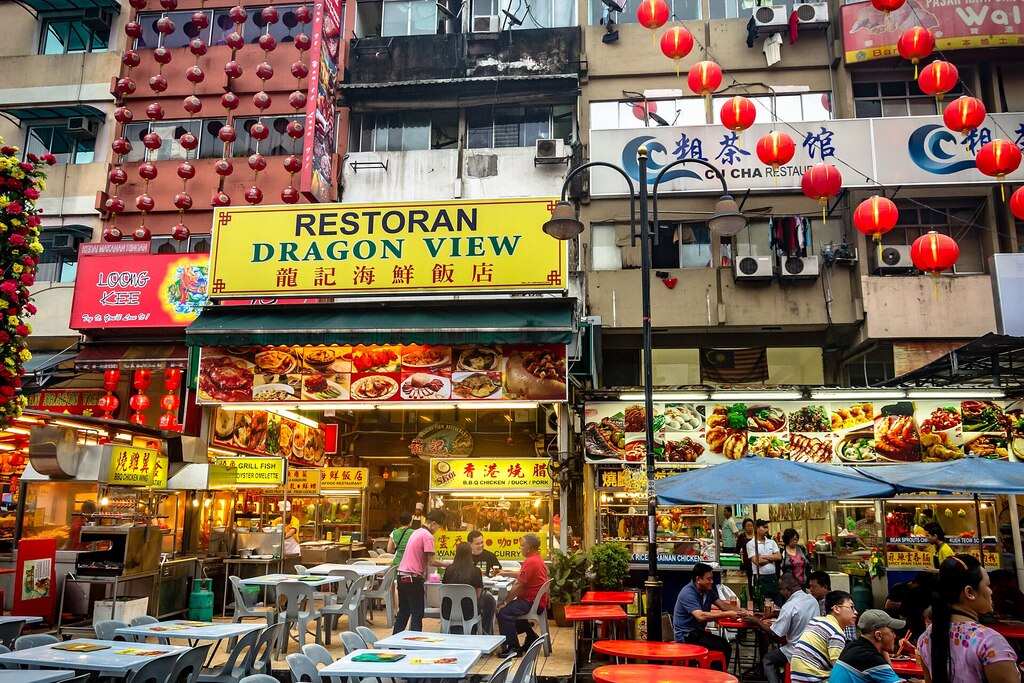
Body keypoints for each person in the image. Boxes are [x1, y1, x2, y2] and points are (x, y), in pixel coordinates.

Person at [917, 554, 1020, 683]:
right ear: (969, 592)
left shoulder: (927, 637)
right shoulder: (989, 641)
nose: (991, 591)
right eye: (987, 585)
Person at [745, 573, 820, 683]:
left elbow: (774, 633)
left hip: (797, 650)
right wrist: (774, 614)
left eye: (781, 589)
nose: (780, 592)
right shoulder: (811, 600)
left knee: (768, 659)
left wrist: (756, 621)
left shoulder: (789, 606)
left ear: (788, 589)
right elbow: (798, 613)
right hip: (814, 647)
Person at [673, 562, 751, 669]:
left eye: (712, 579)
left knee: (723, 643)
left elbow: (723, 605)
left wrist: (741, 611)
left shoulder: (707, 591)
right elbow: (700, 616)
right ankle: (716, 675)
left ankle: (717, 673)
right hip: (686, 635)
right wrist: (728, 614)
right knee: (723, 646)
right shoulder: (688, 593)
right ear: (698, 579)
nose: (712, 582)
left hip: (698, 631)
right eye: (708, 579)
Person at [394, 509, 447, 634]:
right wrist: (448, 564)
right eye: (439, 526)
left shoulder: (416, 532)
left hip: (401, 575)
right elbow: (432, 561)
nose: (438, 529)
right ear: (433, 523)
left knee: (404, 612)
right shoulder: (428, 536)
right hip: (413, 578)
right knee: (417, 613)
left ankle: (394, 641)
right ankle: (414, 642)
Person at [830, 610, 918, 683]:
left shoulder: (852, 646)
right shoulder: (871, 658)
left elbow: (891, 674)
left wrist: (883, 648)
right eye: (892, 631)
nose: (895, 636)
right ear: (878, 635)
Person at [496, 533, 547, 657]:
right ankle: (531, 636)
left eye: (522, 545)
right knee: (511, 610)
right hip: (535, 601)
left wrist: (505, 602)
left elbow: (518, 584)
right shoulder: (537, 559)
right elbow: (523, 574)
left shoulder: (530, 561)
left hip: (531, 602)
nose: (520, 548)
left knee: (503, 613)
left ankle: (514, 648)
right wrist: (506, 573)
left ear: (528, 548)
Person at [791, 590, 859, 683]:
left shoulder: (816, 621)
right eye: (851, 607)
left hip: (798, 679)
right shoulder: (836, 632)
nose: (855, 612)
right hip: (813, 679)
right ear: (837, 609)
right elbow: (839, 668)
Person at [441, 541, 495, 635]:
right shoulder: (476, 571)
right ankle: (486, 633)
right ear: (470, 554)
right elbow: (477, 596)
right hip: (469, 612)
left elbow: (445, 589)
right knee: (490, 600)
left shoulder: (448, 569)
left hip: (447, 611)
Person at [884, 573, 934, 640]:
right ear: (916, 583)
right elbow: (888, 605)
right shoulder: (900, 588)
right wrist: (909, 604)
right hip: (897, 623)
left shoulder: (920, 593)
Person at [748, 519, 783, 605]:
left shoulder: (771, 542)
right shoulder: (751, 544)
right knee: (761, 602)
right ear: (757, 528)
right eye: (764, 527)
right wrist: (771, 558)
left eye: (767, 528)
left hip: (772, 577)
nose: (767, 530)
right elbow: (756, 561)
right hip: (760, 577)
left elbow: (778, 557)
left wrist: (763, 556)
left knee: (777, 602)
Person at [737, 517, 756, 589]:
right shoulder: (741, 537)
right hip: (747, 561)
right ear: (744, 527)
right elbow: (737, 549)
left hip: (758, 560)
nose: (750, 528)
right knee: (750, 580)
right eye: (748, 526)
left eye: (751, 526)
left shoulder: (756, 535)